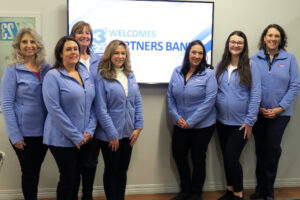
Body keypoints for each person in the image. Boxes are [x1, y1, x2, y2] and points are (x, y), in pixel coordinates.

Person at [42, 36, 97, 200]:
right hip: (62, 139)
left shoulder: (85, 73)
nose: (73, 52)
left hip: (85, 137)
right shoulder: (53, 76)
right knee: (69, 178)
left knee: (77, 178)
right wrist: (75, 136)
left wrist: (90, 130)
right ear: (60, 54)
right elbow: (54, 110)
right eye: (68, 49)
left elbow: (92, 104)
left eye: (75, 49)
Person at [250, 24, 300, 200]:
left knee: (272, 150)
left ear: (281, 39)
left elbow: (294, 86)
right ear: (264, 37)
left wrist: (279, 108)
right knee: (260, 151)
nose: (273, 38)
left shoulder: (290, 58)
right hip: (259, 113)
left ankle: (269, 191)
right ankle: (259, 189)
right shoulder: (253, 59)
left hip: (280, 115)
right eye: (270, 35)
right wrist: (258, 107)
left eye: (276, 36)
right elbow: (249, 86)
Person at [1, 28, 50, 200]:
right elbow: (6, 104)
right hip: (23, 133)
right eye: (25, 42)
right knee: (29, 173)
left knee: (35, 171)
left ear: (38, 45)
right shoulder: (12, 69)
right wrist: (15, 135)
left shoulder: (46, 68)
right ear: (18, 46)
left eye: (32, 41)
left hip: (44, 132)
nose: (29, 45)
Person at [93, 39, 143, 200]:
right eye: (116, 53)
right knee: (112, 170)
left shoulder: (130, 74)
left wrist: (138, 127)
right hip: (110, 135)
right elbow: (101, 109)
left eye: (123, 53)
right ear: (109, 55)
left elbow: (137, 102)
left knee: (122, 171)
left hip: (128, 133)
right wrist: (112, 134)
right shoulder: (101, 77)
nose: (120, 56)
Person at [167, 40, 217, 200]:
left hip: (202, 126)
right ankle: (185, 190)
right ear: (188, 53)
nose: (196, 56)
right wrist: (177, 117)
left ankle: (196, 193)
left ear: (204, 56)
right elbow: (170, 96)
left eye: (200, 53)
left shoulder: (209, 74)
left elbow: (210, 100)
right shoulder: (176, 71)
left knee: (198, 159)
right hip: (180, 123)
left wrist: (191, 121)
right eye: (194, 52)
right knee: (179, 155)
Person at [215, 31, 261, 200]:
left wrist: (250, 121)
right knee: (226, 159)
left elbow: (256, 94)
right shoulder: (221, 65)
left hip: (241, 123)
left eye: (239, 42)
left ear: (244, 46)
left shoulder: (251, 65)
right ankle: (229, 190)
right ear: (228, 44)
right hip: (221, 121)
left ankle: (238, 193)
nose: (235, 45)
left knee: (231, 157)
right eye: (233, 42)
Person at [70, 20, 101, 200]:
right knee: (72, 171)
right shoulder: (69, 58)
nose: (84, 36)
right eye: (80, 32)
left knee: (90, 166)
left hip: (94, 121)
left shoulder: (99, 59)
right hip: (74, 122)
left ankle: (87, 196)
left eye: (88, 33)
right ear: (73, 36)